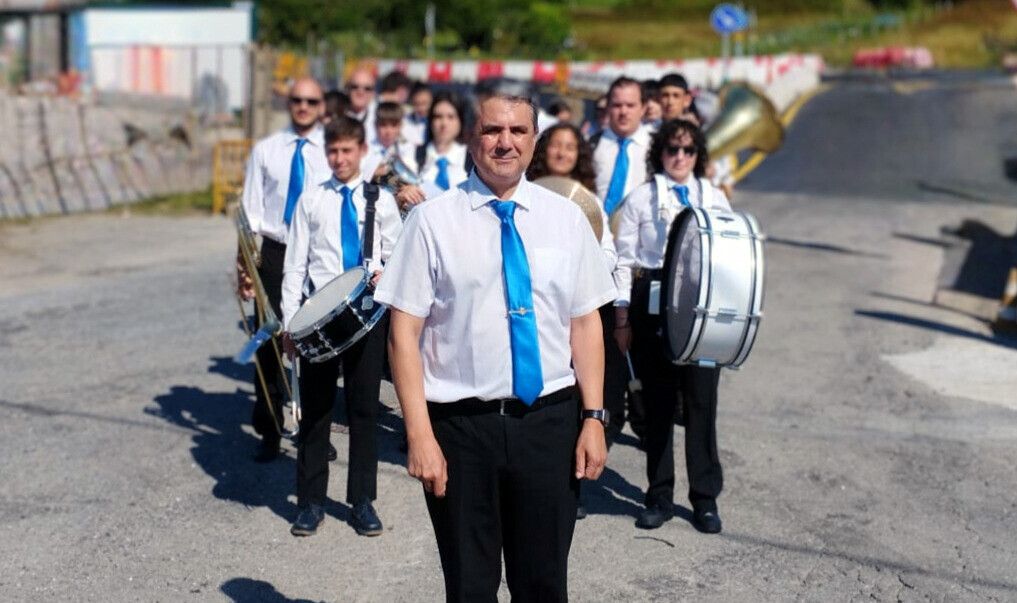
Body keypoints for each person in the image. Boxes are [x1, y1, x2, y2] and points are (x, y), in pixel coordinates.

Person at [375, 90, 615, 602]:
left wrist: (594, 416)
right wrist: (418, 434)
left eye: (517, 132)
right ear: (472, 137)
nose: (504, 143)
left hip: (548, 425)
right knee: (469, 586)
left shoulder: (566, 218)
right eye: (492, 130)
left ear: (533, 141)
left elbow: (586, 323)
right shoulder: (432, 222)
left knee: (544, 584)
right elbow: (403, 333)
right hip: (461, 431)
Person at [280, 117, 402, 537]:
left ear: (362, 151)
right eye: (333, 151)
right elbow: (295, 264)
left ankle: (361, 501)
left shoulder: (380, 200)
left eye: (348, 150)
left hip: (366, 318)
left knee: (364, 411)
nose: (340, 158)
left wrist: (385, 274)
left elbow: (397, 253)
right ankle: (310, 503)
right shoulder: (311, 200)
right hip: (318, 322)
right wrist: (288, 323)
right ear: (326, 152)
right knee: (315, 413)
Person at [613, 118, 729, 534]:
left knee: (701, 403)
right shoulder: (641, 198)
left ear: (698, 156)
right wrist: (623, 315)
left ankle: (705, 498)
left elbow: (730, 254)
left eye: (688, 150)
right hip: (653, 301)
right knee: (658, 405)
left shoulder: (713, 196)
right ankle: (659, 495)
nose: (680, 157)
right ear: (659, 153)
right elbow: (624, 259)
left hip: (700, 304)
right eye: (671, 150)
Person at [527, 122, 626, 521]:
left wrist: (580, 265)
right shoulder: (526, 195)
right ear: (543, 151)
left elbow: (609, 257)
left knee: (591, 399)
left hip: (580, 313)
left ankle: (575, 477)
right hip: (538, 315)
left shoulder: (590, 204)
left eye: (571, 147)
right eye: (556, 146)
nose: (563, 153)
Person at [240, 77, 331, 463]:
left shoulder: (333, 150)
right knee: (269, 342)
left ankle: (314, 430)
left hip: (318, 255)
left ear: (322, 105)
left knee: (317, 347)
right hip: (276, 252)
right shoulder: (267, 150)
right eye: (297, 100)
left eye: (312, 101)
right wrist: (244, 265)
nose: (304, 106)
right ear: (288, 103)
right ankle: (270, 428)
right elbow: (249, 213)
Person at [590, 75, 652, 440]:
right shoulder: (594, 145)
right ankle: (606, 416)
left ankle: (643, 411)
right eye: (616, 105)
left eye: (630, 105)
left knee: (639, 345)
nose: (623, 111)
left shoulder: (654, 151)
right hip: (601, 260)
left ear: (643, 108)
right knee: (604, 342)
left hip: (638, 263)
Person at [394, 91, 470, 211]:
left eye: (451, 117)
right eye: (438, 117)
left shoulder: (472, 160)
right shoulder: (411, 155)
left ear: (460, 121)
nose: (444, 123)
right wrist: (400, 198)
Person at [360, 101, 405, 184]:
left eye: (394, 125)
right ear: (375, 125)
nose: (388, 131)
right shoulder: (365, 150)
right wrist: (373, 173)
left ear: (401, 126)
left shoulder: (406, 149)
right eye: (383, 125)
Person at [345, 67, 377, 142]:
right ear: (347, 89)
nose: (360, 92)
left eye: (367, 88)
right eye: (355, 87)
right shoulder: (335, 117)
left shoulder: (381, 120)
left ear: (373, 93)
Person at [402, 81, 432, 148]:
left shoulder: (437, 122)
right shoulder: (404, 122)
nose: (421, 108)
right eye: (417, 104)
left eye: (424, 103)